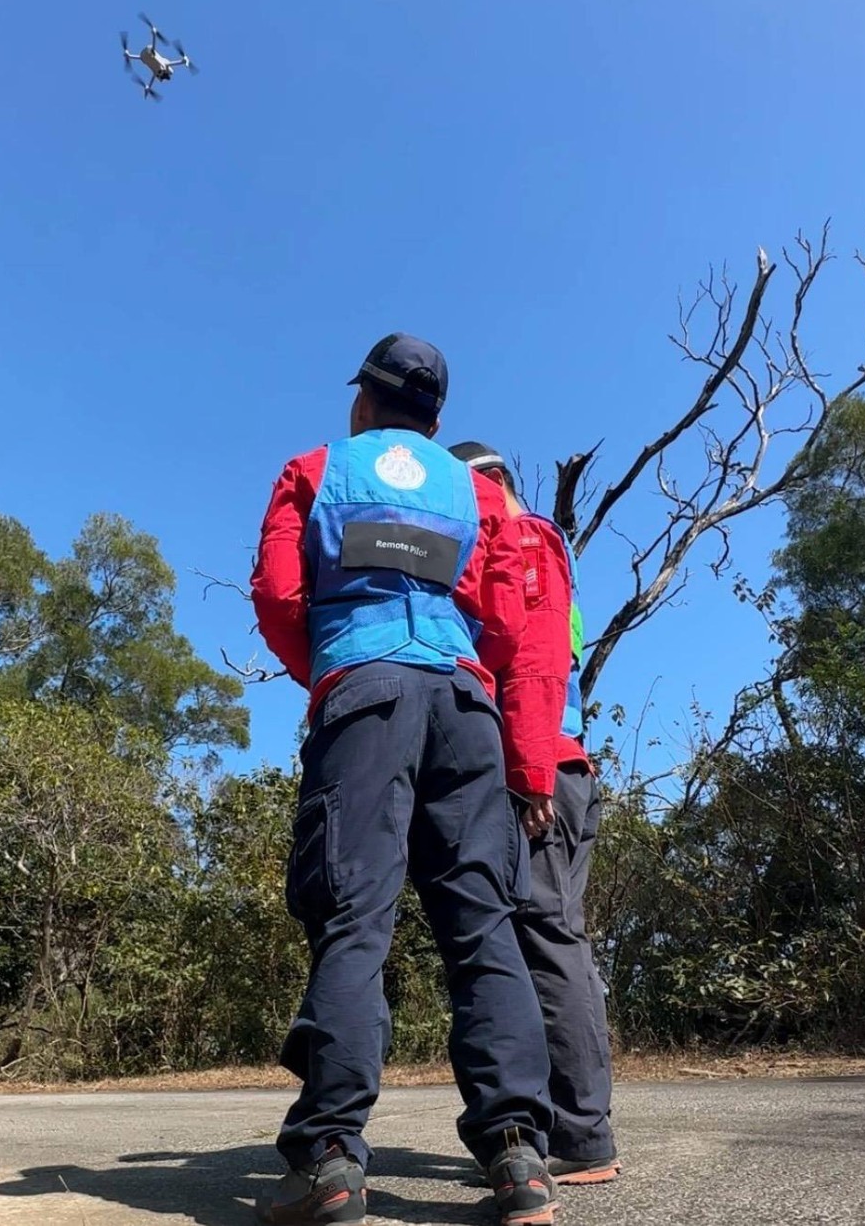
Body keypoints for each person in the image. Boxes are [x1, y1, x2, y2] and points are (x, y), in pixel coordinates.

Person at [251, 336, 557, 1226]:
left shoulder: (312, 470)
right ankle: (519, 1159)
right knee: (484, 926)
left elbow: (276, 595)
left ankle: (333, 1161)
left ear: (363, 405)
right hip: (466, 703)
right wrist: (465, 681)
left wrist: (339, 670)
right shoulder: (481, 494)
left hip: (364, 697)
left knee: (355, 920)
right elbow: (505, 614)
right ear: (436, 418)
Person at [449, 441, 620, 1186]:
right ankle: (571, 1124)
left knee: (549, 938)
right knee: (551, 936)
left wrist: (526, 774)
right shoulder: (548, 549)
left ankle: (583, 1134)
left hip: (542, 766)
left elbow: (534, 661)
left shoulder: (518, 540)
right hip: (560, 759)